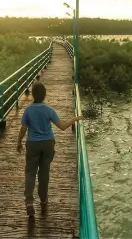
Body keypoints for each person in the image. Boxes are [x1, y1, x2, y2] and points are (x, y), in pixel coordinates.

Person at [16, 83, 83, 217]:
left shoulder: (28, 110)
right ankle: (43, 199)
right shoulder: (49, 110)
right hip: (47, 144)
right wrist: (75, 119)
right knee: (44, 172)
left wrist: (19, 142)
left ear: (33, 95)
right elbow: (62, 126)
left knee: (30, 172)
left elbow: (23, 129)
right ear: (44, 95)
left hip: (33, 144)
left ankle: (29, 202)